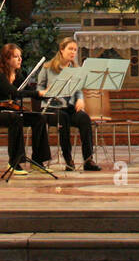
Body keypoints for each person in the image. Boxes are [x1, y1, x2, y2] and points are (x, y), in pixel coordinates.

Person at [0, 43, 52, 175]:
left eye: (20, 56)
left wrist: (47, 94)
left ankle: (38, 160)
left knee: (39, 118)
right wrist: (38, 94)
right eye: (16, 56)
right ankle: (15, 161)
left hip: (7, 110)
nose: (20, 59)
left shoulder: (17, 75)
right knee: (15, 118)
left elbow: (29, 91)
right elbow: (14, 93)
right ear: (6, 59)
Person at [36, 37, 101, 171]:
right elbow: (39, 88)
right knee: (63, 118)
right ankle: (68, 159)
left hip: (69, 107)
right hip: (52, 108)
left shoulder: (76, 69)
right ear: (61, 50)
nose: (73, 52)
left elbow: (78, 89)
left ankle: (88, 160)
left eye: (75, 50)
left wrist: (80, 99)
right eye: (70, 49)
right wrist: (45, 92)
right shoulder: (48, 67)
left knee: (84, 118)